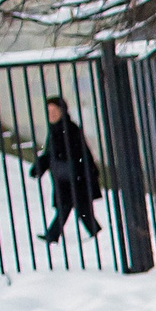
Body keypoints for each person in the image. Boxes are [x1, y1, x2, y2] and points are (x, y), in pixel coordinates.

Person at [29, 96, 101, 244]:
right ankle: (96, 233)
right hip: (66, 177)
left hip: (74, 177)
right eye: (49, 111)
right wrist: (40, 166)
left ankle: (53, 235)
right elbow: (50, 154)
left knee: (69, 206)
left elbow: (75, 152)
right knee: (78, 207)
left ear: (62, 111)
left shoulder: (69, 128)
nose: (51, 114)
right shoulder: (55, 129)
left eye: (54, 111)